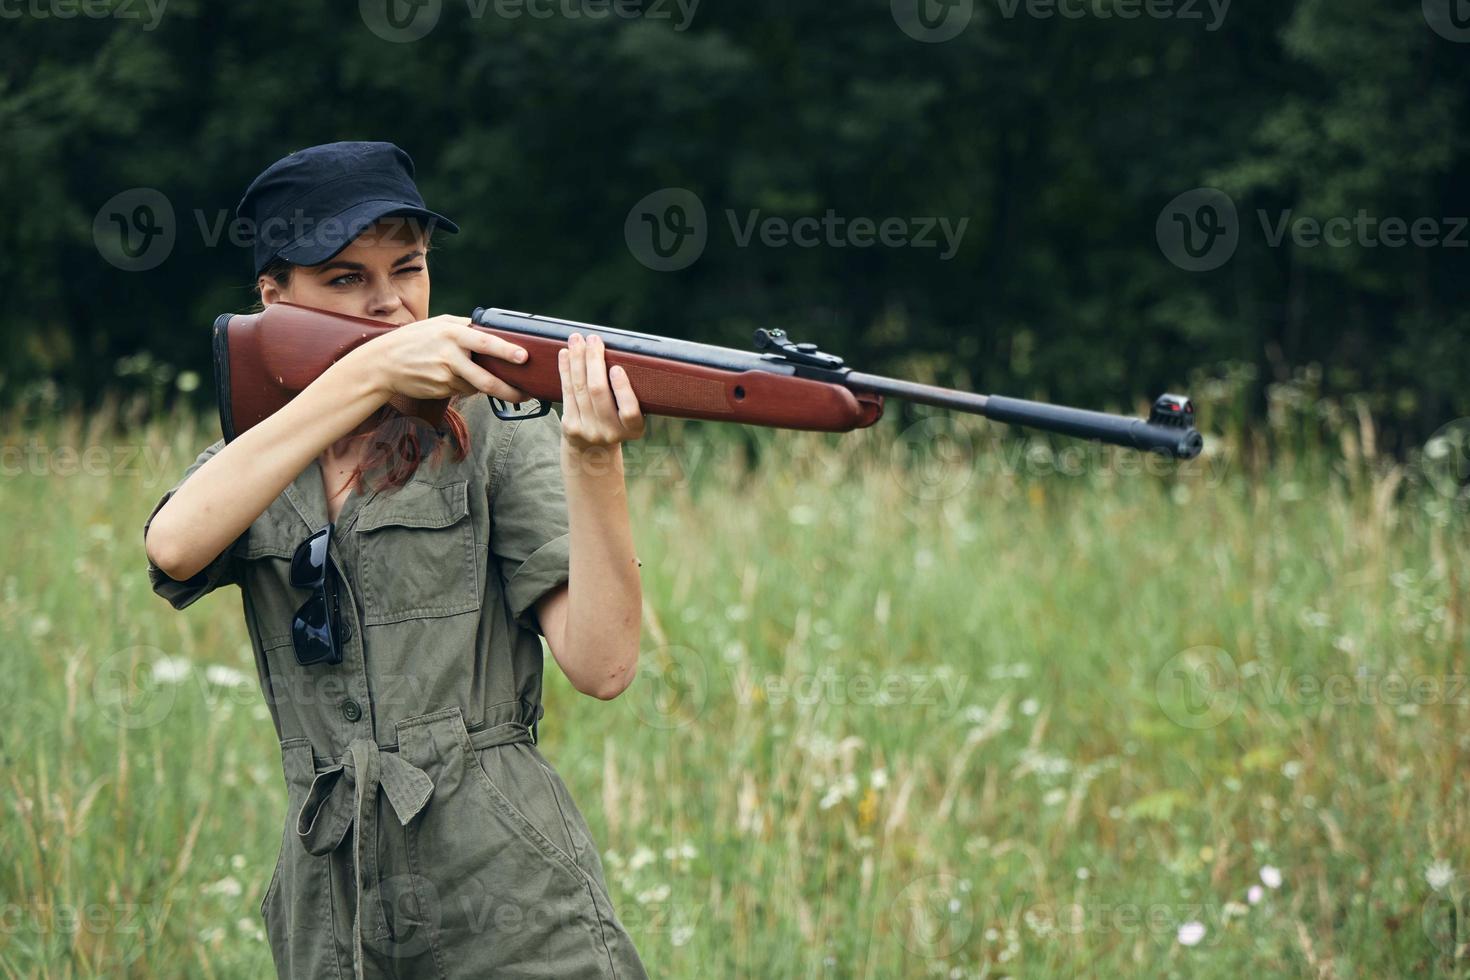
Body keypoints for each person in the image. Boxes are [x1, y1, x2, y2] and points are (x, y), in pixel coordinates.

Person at [142, 141, 650, 978]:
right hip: (327, 903)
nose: (389, 304)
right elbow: (173, 543)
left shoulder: (492, 429)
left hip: (508, 893)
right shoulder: (262, 457)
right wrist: (370, 375)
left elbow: (603, 665)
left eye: (407, 270)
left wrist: (594, 461)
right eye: (346, 279)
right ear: (274, 298)